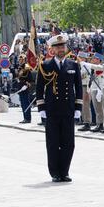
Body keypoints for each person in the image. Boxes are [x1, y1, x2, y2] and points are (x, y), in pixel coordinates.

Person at [35, 34, 82, 182]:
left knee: (68, 143)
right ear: (52, 50)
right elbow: (39, 88)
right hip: (52, 110)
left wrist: (78, 108)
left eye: (63, 47)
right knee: (53, 143)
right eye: (58, 47)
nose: (61, 49)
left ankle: (65, 171)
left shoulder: (73, 65)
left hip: (68, 109)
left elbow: (78, 88)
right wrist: (41, 107)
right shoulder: (45, 66)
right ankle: (55, 172)